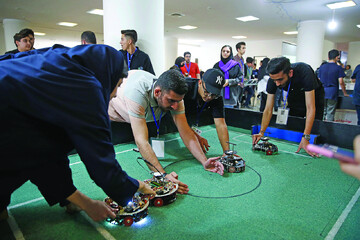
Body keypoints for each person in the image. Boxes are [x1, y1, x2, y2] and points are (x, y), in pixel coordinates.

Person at [0, 44, 155, 222]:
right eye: (117, 85)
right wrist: (133, 186)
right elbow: (101, 162)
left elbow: (45, 144)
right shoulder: (85, 86)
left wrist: (77, 200)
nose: (114, 94)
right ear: (109, 74)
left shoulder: (65, 64)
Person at [108, 69, 224, 194]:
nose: (175, 106)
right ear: (157, 92)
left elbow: (185, 131)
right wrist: (162, 176)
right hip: (111, 114)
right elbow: (141, 141)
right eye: (171, 101)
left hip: (136, 114)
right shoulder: (136, 92)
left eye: (178, 101)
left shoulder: (175, 98)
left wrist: (204, 160)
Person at [252, 57, 325, 157]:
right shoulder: (273, 80)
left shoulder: (304, 71)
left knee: (314, 128)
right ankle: (300, 141)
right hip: (294, 95)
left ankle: (308, 143)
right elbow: (268, 109)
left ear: (290, 73)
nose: (277, 83)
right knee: (294, 123)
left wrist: (306, 137)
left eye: (280, 79)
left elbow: (310, 107)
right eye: (274, 80)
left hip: (314, 97)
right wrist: (261, 132)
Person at [183, 68, 231, 153]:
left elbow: (221, 124)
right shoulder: (184, 87)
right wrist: (197, 137)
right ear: (200, 82)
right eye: (207, 92)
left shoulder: (216, 97)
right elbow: (178, 119)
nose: (209, 97)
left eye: (213, 95)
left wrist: (227, 153)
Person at [318, 49, 348, 121]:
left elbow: (319, 79)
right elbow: (341, 82)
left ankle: (320, 129)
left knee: (323, 111)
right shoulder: (338, 67)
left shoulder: (322, 67)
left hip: (322, 91)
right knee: (330, 112)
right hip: (332, 92)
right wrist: (345, 93)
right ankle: (329, 129)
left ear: (328, 57)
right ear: (337, 57)